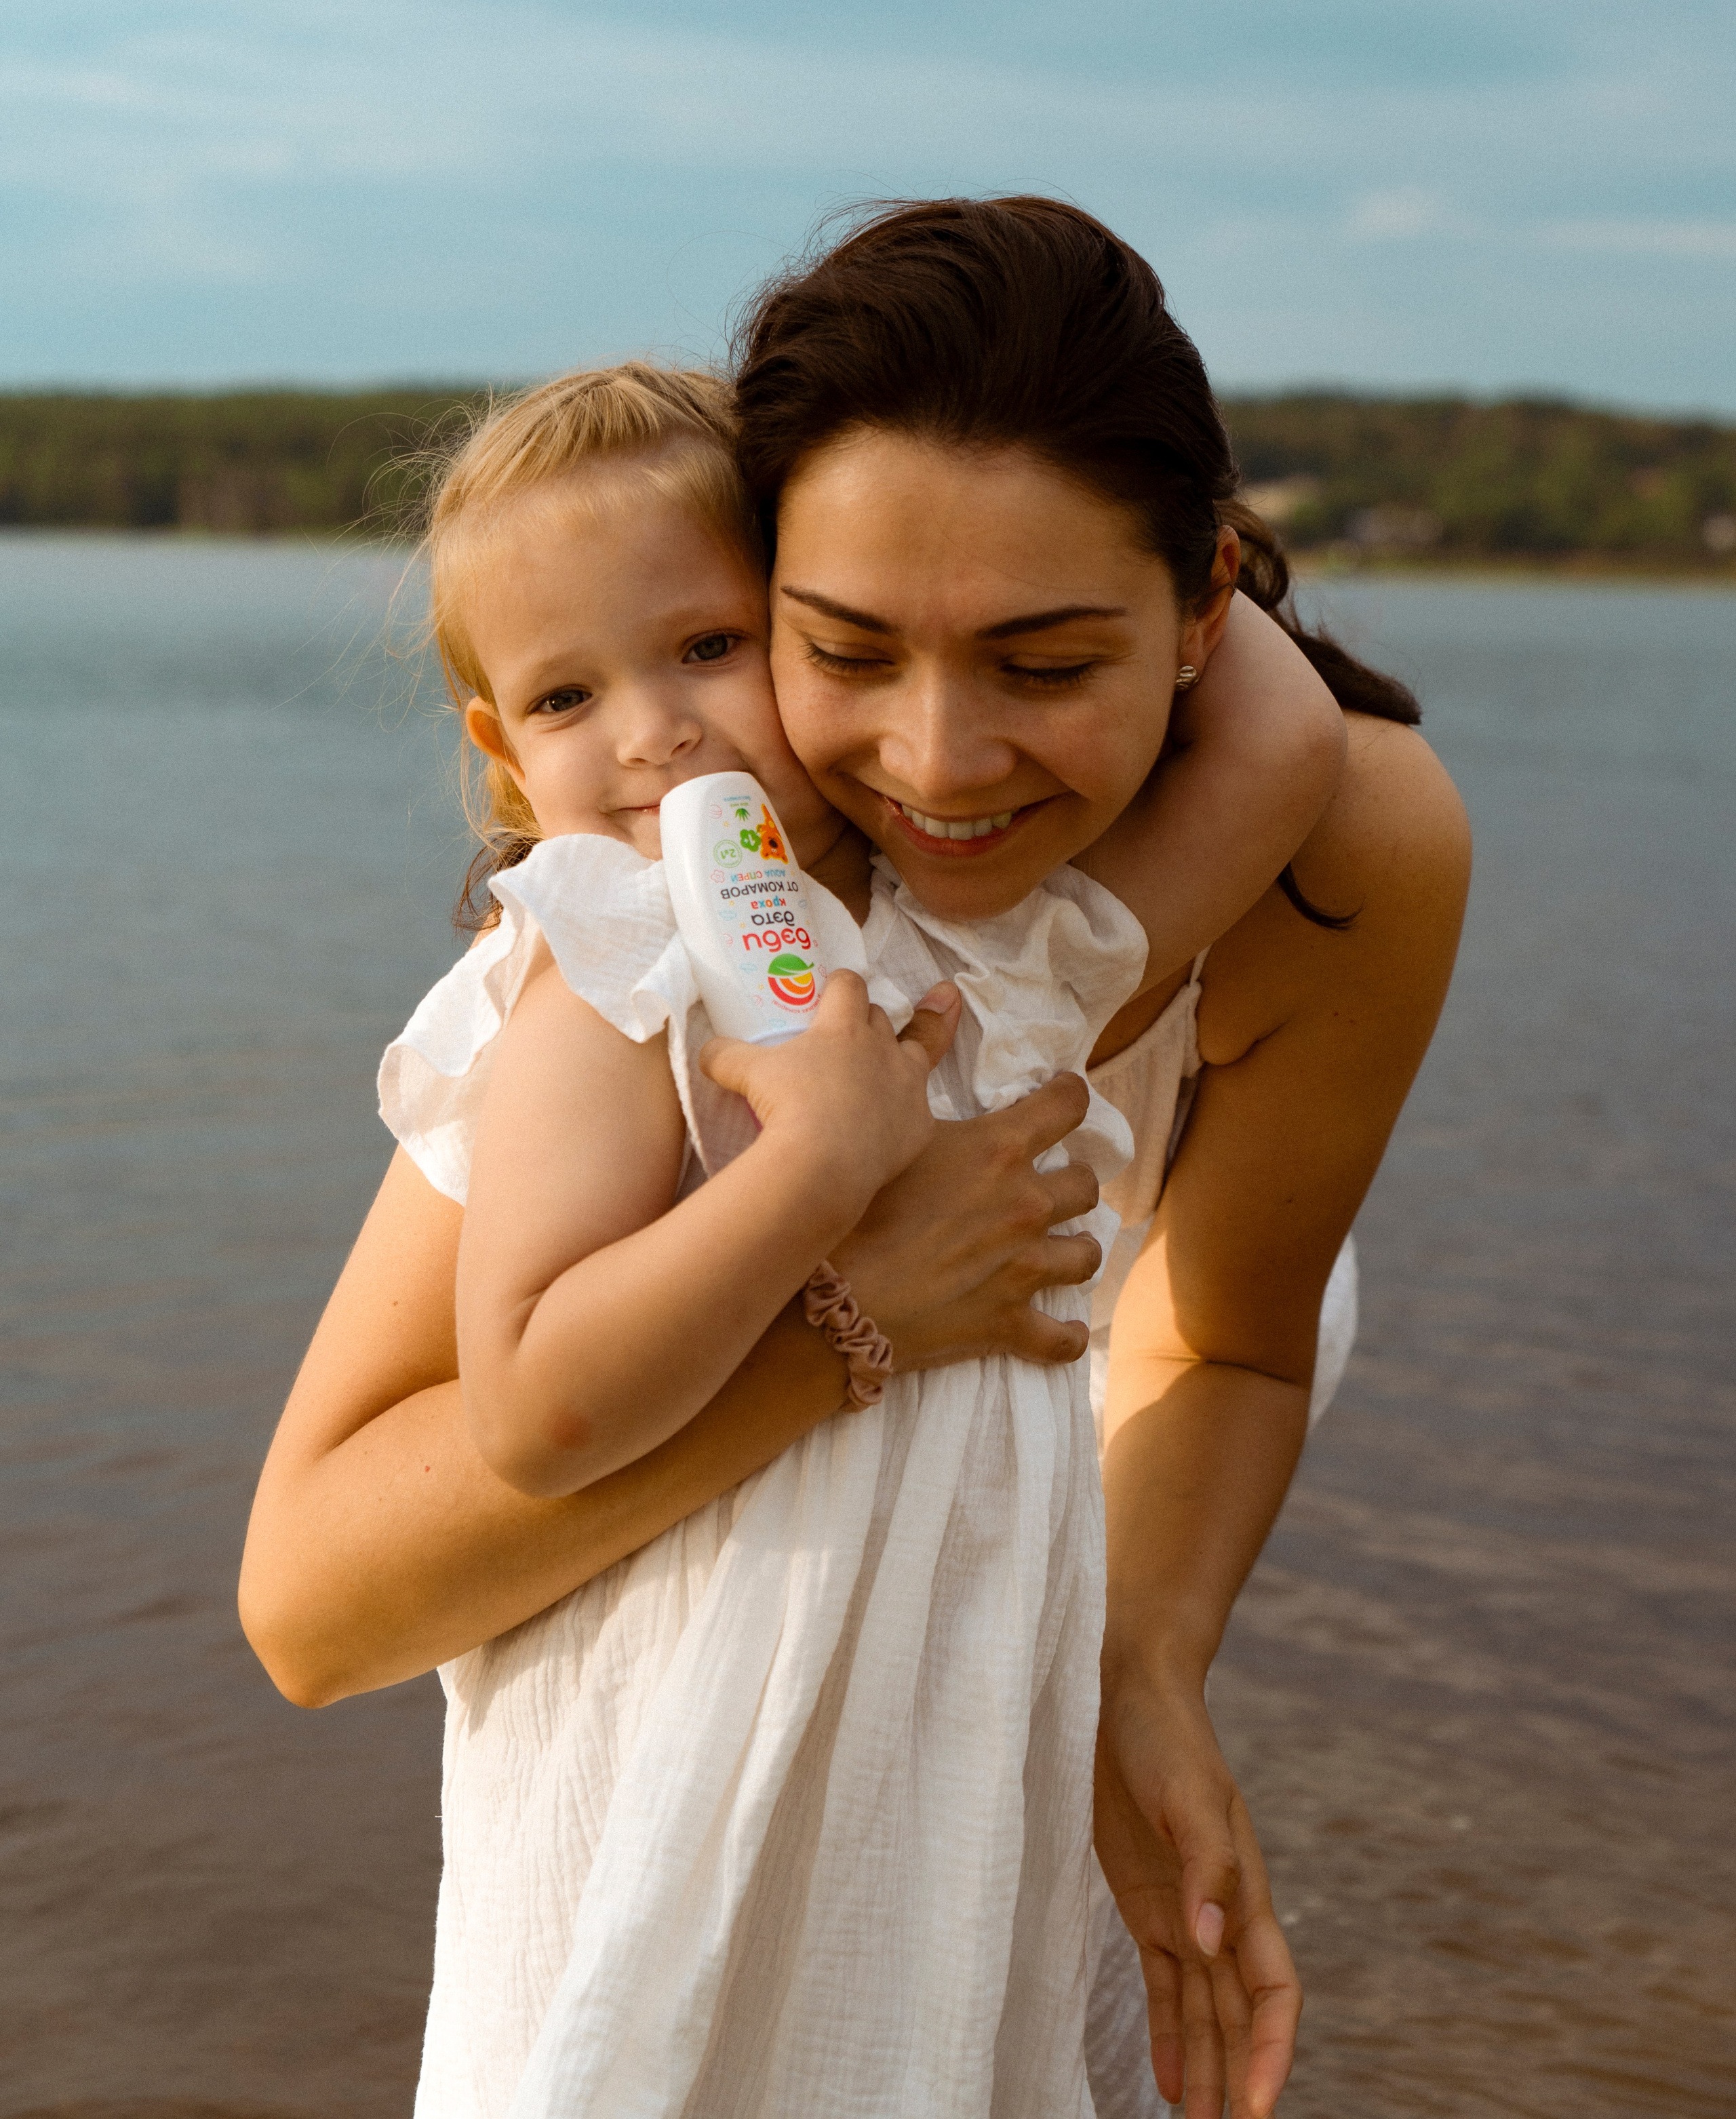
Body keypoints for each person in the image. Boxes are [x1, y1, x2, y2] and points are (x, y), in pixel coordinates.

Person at [241, 199, 1469, 2119]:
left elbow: (1232, 1324)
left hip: (981, 1777)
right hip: (649, 1809)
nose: (941, 758)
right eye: (842, 646)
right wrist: (852, 1310)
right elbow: (321, 1600)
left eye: (1047, 658)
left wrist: (1147, 1672)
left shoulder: (1061, 942)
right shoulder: (639, 963)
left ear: (1202, 608)